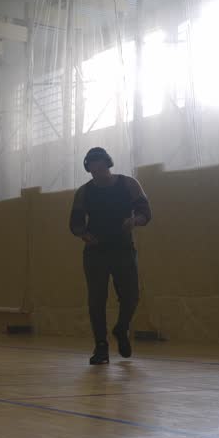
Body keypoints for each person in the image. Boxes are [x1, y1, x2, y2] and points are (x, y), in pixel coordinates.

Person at [69, 147, 152, 365]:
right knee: (96, 300)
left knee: (132, 295)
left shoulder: (129, 184)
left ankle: (121, 328)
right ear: (89, 170)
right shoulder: (84, 192)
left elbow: (145, 212)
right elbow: (75, 224)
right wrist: (85, 235)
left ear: (108, 164)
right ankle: (101, 346)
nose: (98, 174)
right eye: (93, 171)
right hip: (96, 252)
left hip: (123, 248)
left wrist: (135, 221)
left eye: (101, 169)